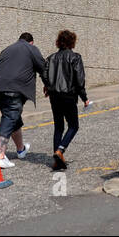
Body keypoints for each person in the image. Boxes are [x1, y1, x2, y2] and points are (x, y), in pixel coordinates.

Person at [0, 32, 48, 168]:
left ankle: (21, 149)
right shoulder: (31, 48)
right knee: (10, 116)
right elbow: (43, 68)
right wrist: (48, 86)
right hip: (14, 88)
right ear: (31, 42)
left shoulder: (7, 49)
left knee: (13, 117)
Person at [44, 29, 91, 170]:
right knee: (73, 125)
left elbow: (44, 74)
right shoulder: (75, 57)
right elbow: (79, 80)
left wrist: (48, 86)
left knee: (58, 126)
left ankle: (57, 160)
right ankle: (60, 150)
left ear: (58, 42)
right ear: (72, 42)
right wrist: (84, 98)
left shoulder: (51, 58)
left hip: (54, 96)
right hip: (69, 95)